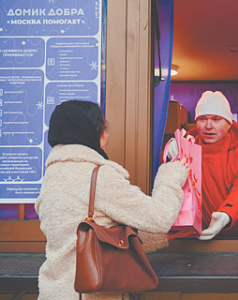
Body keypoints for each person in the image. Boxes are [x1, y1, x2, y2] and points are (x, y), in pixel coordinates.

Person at [35, 100, 189, 300]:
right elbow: (159, 217)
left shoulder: (51, 177)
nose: (107, 136)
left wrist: (162, 237)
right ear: (87, 131)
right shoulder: (98, 176)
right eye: (102, 129)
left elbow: (94, 235)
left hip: (54, 292)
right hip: (89, 294)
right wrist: (171, 174)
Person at [168, 91, 238, 239]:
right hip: (200, 238)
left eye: (216, 119)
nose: (208, 126)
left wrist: (227, 214)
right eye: (202, 119)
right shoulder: (187, 148)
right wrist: (170, 152)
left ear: (228, 123)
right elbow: (169, 186)